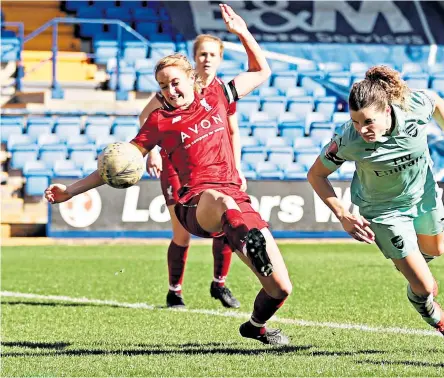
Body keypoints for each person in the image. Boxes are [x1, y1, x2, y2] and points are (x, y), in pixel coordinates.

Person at [45, 4, 292, 346]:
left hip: (236, 199)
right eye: (163, 86)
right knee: (221, 202)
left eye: (175, 83)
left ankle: (255, 325)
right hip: (195, 205)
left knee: (280, 287)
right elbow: (116, 165)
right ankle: (237, 247)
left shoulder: (218, 95)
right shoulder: (159, 121)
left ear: (191, 77)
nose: (170, 91)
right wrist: (70, 191)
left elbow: (261, 70)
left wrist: (242, 32)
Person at [307, 65, 444, 346]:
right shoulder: (347, 140)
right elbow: (316, 175)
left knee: (436, 250)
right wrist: (342, 213)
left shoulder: (412, 108)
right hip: (383, 210)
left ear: (387, 110)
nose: (362, 130)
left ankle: (410, 265)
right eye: (356, 122)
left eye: (368, 121)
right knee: (425, 286)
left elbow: (436, 102)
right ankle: (432, 312)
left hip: (423, 192)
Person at [140, 34, 246, 310]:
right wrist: (152, 152)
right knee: (182, 232)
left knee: (226, 222)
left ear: (221, 59)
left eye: (213, 54)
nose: (207, 59)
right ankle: (174, 291)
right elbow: (145, 118)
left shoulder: (223, 90)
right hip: (177, 169)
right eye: (202, 54)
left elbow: (233, 131)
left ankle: (219, 283)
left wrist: (237, 168)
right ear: (194, 58)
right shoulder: (175, 87)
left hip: (216, 170)